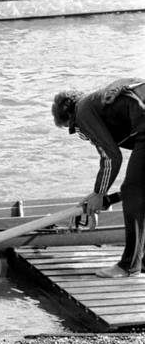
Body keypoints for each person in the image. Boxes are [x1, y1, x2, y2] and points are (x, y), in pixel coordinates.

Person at [51, 78, 145, 278]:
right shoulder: (98, 101)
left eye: (72, 128)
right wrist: (105, 197)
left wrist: (99, 193)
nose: (81, 134)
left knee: (132, 191)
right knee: (138, 190)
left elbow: (111, 156)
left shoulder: (83, 112)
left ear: (70, 115)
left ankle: (129, 266)